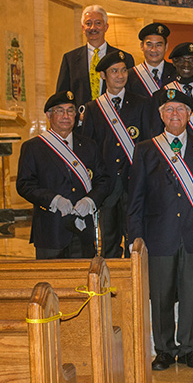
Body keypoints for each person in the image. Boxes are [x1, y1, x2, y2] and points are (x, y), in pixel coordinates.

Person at [127, 88, 193, 371]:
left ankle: (189, 348)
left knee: (192, 294)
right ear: (160, 115)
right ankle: (165, 350)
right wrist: (136, 237)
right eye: (168, 109)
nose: (174, 115)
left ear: (190, 115)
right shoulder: (146, 149)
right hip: (158, 236)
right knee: (161, 296)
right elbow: (136, 198)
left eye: (180, 109)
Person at [80, 50, 157, 258]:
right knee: (109, 243)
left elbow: (149, 143)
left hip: (135, 182)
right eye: (114, 71)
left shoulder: (142, 103)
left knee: (136, 240)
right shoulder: (94, 108)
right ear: (103, 75)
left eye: (123, 70)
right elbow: (88, 149)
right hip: (108, 186)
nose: (120, 75)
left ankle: (137, 287)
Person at [17, 90, 110, 259]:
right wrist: (53, 200)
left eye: (70, 110)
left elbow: (103, 180)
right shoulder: (34, 147)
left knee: (85, 282)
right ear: (48, 115)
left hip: (83, 231)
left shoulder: (89, 145)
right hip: (51, 231)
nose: (66, 116)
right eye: (60, 111)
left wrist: (91, 200)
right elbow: (25, 185)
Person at [55, 5, 135, 113]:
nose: (93, 28)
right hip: (81, 125)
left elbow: (131, 93)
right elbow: (62, 97)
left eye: (98, 23)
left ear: (106, 27)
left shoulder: (125, 58)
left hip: (115, 122)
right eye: (88, 24)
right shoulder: (70, 59)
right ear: (83, 28)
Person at [126, 22, 176, 98]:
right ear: (142, 46)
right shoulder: (130, 76)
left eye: (158, 45)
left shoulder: (176, 72)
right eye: (149, 45)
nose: (153, 50)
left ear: (166, 47)